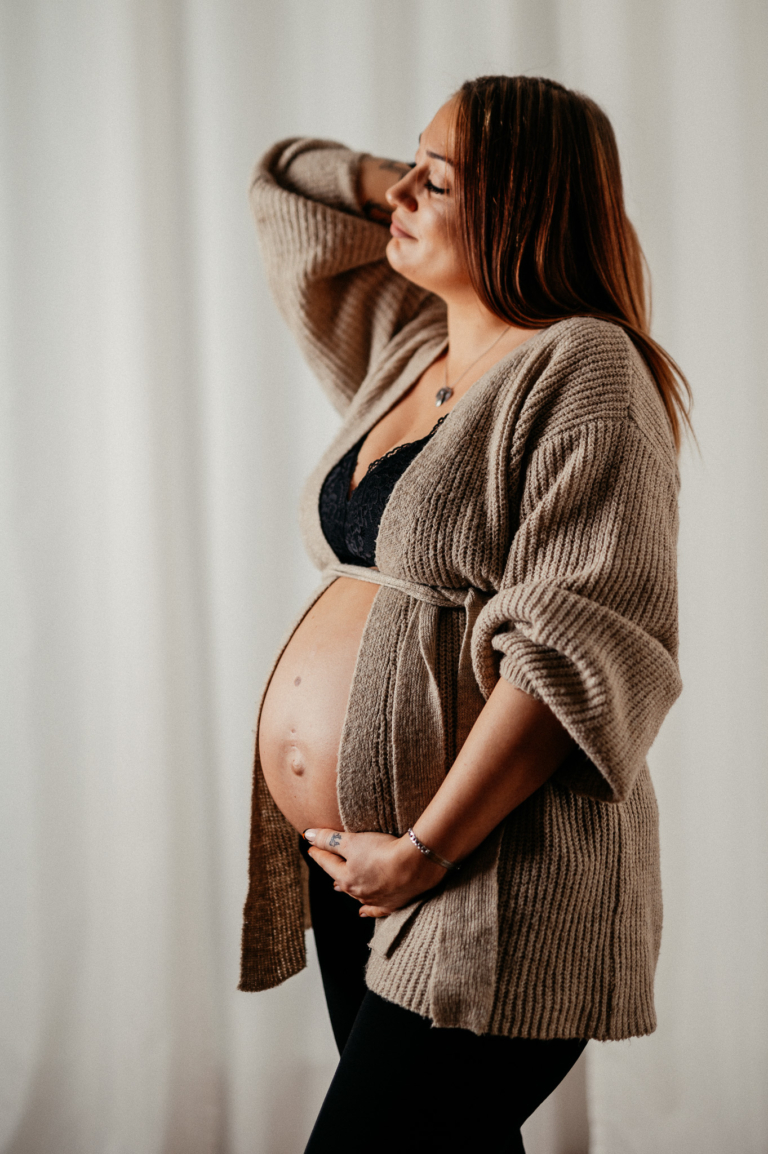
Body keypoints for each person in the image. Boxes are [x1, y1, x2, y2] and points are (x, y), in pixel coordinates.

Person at [239, 75, 689, 1153]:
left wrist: (429, 851)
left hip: (489, 873)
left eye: (436, 180)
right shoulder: (408, 346)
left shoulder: (585, 367)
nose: (400, 197)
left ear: (520, 204)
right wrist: (407, 177)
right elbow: (286, 194)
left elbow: (572, 647)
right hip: (363, 859)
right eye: (409, 168)